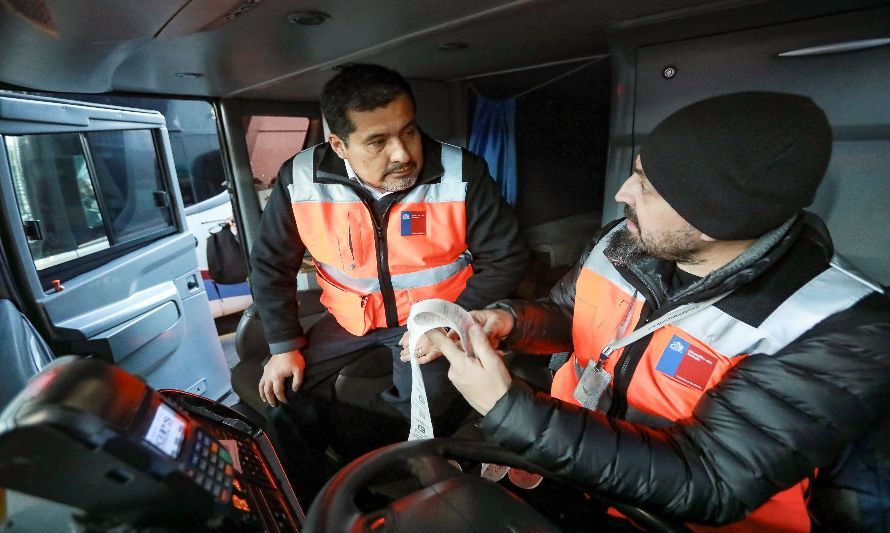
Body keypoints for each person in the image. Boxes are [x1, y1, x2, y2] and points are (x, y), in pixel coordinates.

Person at [422, 92, 890, 531]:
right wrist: (511, 322)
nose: (624, 192)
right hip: (562, 465)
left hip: (666, 518)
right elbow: (567, 315)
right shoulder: (625, 241)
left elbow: (709, 475)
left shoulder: (839, 326)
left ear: (715, 219)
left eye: (647, 186)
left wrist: (508, 409)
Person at [248, 63, 528, 428]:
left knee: (425, 409)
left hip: (435, 315)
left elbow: (506, 256)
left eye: (409, 132)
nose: (403, 154)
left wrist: (446, 321)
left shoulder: (462, 172)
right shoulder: (299, 179)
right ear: (339, 145)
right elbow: (271, 265)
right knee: (286, 394)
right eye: (378, 142)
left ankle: (412, 466)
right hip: (349, 319)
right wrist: (283, 346)